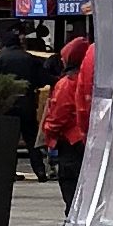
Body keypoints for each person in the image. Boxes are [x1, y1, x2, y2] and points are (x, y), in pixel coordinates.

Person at [0, 32, 56, 179]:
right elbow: (42, 78)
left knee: (9, 141)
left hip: (7, 104)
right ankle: (40, 171)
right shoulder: (29, 58)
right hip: (27, 103)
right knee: (31, 139)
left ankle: (9, 172)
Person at [44, 35, 92, 210]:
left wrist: (49, 131)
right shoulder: (92, 79)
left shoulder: (66, 83)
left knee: (70, 182)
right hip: (89, 137)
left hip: (71, 139)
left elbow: (59, 114)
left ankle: (72, 214)